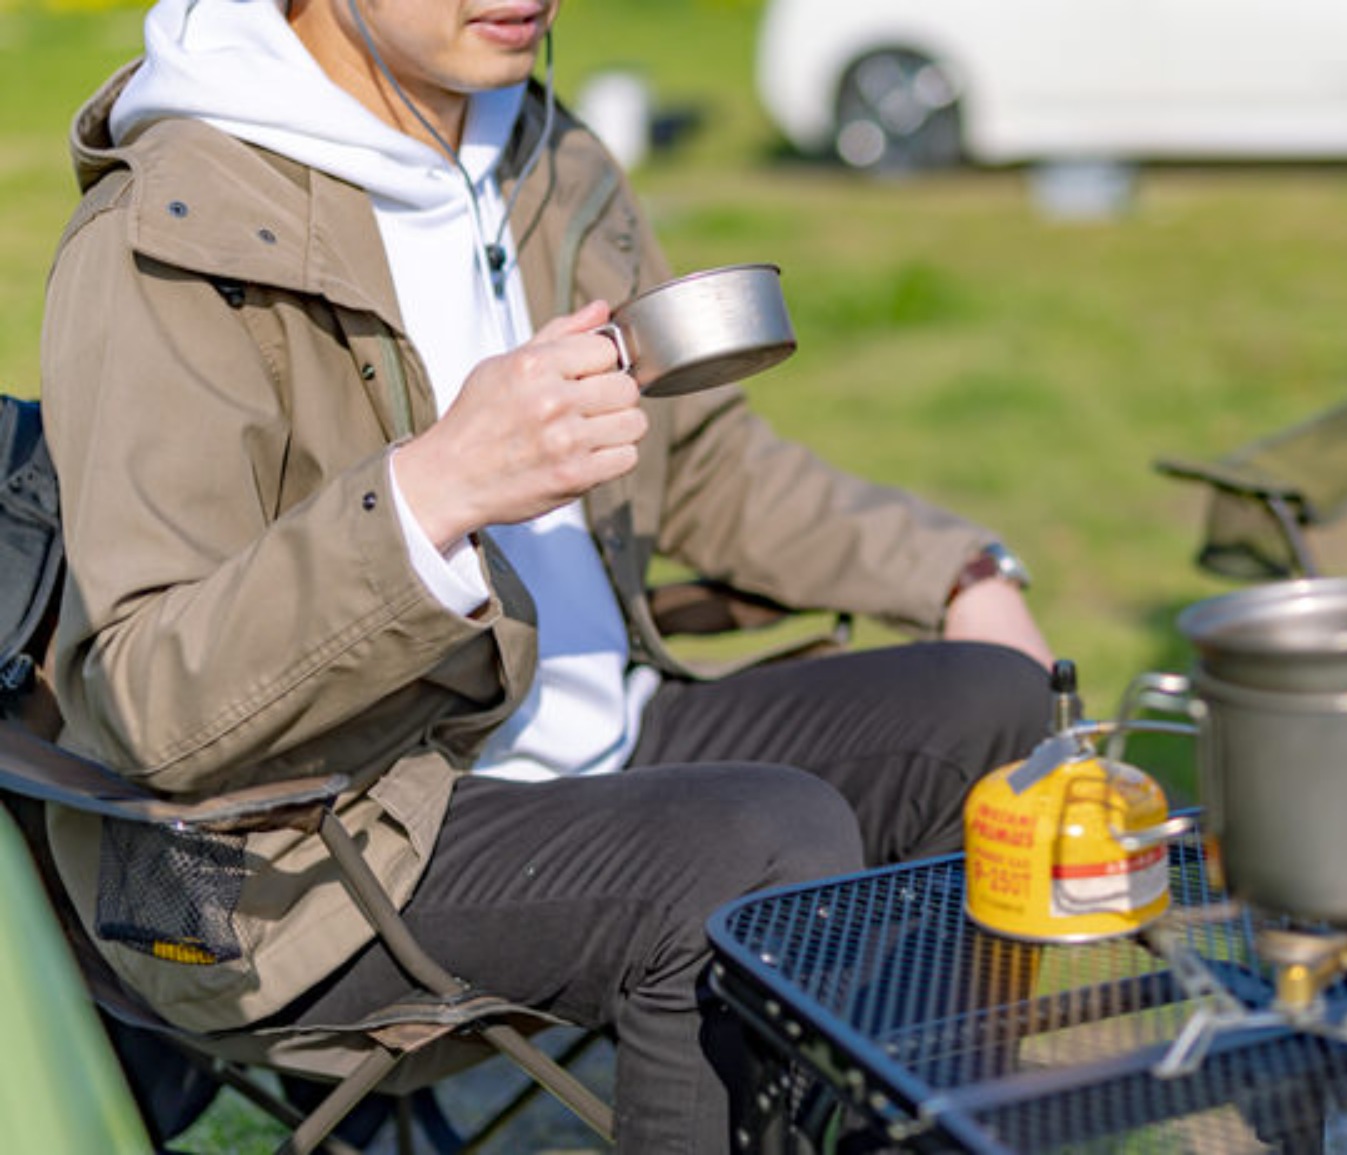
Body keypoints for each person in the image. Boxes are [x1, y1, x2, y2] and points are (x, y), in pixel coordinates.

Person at [36, 0, 1058, 1149]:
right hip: (316, 847)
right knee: (758, 840)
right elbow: (148, 700)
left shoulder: (541, 153)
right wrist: (430, 494)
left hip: (589, 736)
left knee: (989, 704)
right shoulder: (171, 230)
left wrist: (960, 570)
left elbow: (707, 466)